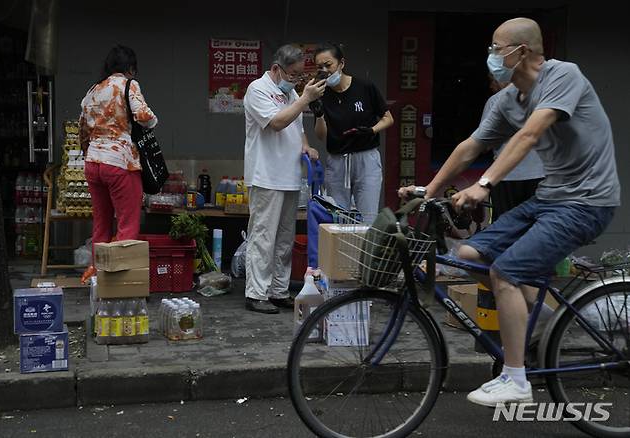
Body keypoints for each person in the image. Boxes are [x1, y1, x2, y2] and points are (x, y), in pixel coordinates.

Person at [399, 17, 620, 406]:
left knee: (506, 272)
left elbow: (531, 134)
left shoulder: (563, 76)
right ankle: (547, 323)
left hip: (587, 201)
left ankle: (516, 377)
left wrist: (484, 185)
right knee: (467, 255)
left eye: (496, 49)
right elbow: (471, 146)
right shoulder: (505, 101)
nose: (490, 56)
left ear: (522, 52)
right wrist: (427, 189)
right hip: (549, 199)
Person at [243, 44, 323, 314]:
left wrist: (306, 146)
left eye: (300, 76)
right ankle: (256, 293)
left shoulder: (290, 94)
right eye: (293, 75)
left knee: (285, 239)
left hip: (290, 176)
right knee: (263, 236)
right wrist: (305, 98)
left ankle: (278, 290)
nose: (296, 80)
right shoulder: (258, 89)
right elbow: (276, 123)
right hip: (266, 176)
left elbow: (296, 127)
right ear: (276, 68)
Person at [79, 45, 157, 282]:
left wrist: (90, 152)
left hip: (93, 162)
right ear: (130, 68)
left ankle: (98, 278)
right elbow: (144, 116)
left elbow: (82, 126)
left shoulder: (93, 90)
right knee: (127, 224)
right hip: (120, 162)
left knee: (101, 223)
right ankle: (122, 284)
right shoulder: (127, 85)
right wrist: (153, 123)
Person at [312, 42, 394, 221]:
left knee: (368, 216)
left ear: (341, 63)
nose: (325, 70)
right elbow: (321, 135)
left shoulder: (364, 87)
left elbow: (388, 118)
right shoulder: (320, 93)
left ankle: (366, 249)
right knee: (339, 217)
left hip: (366, 158)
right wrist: (318, 114)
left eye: (328, 65)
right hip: (338, 160)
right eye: (320, 67)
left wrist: (371, 130)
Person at [483, 75, 544, 220]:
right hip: (540, 175)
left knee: (505, 226)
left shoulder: (495, 101)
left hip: (505, 176)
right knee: (536, 225)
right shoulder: (542, 98)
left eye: (493, 80)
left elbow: (485, 143)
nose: (491, 85)